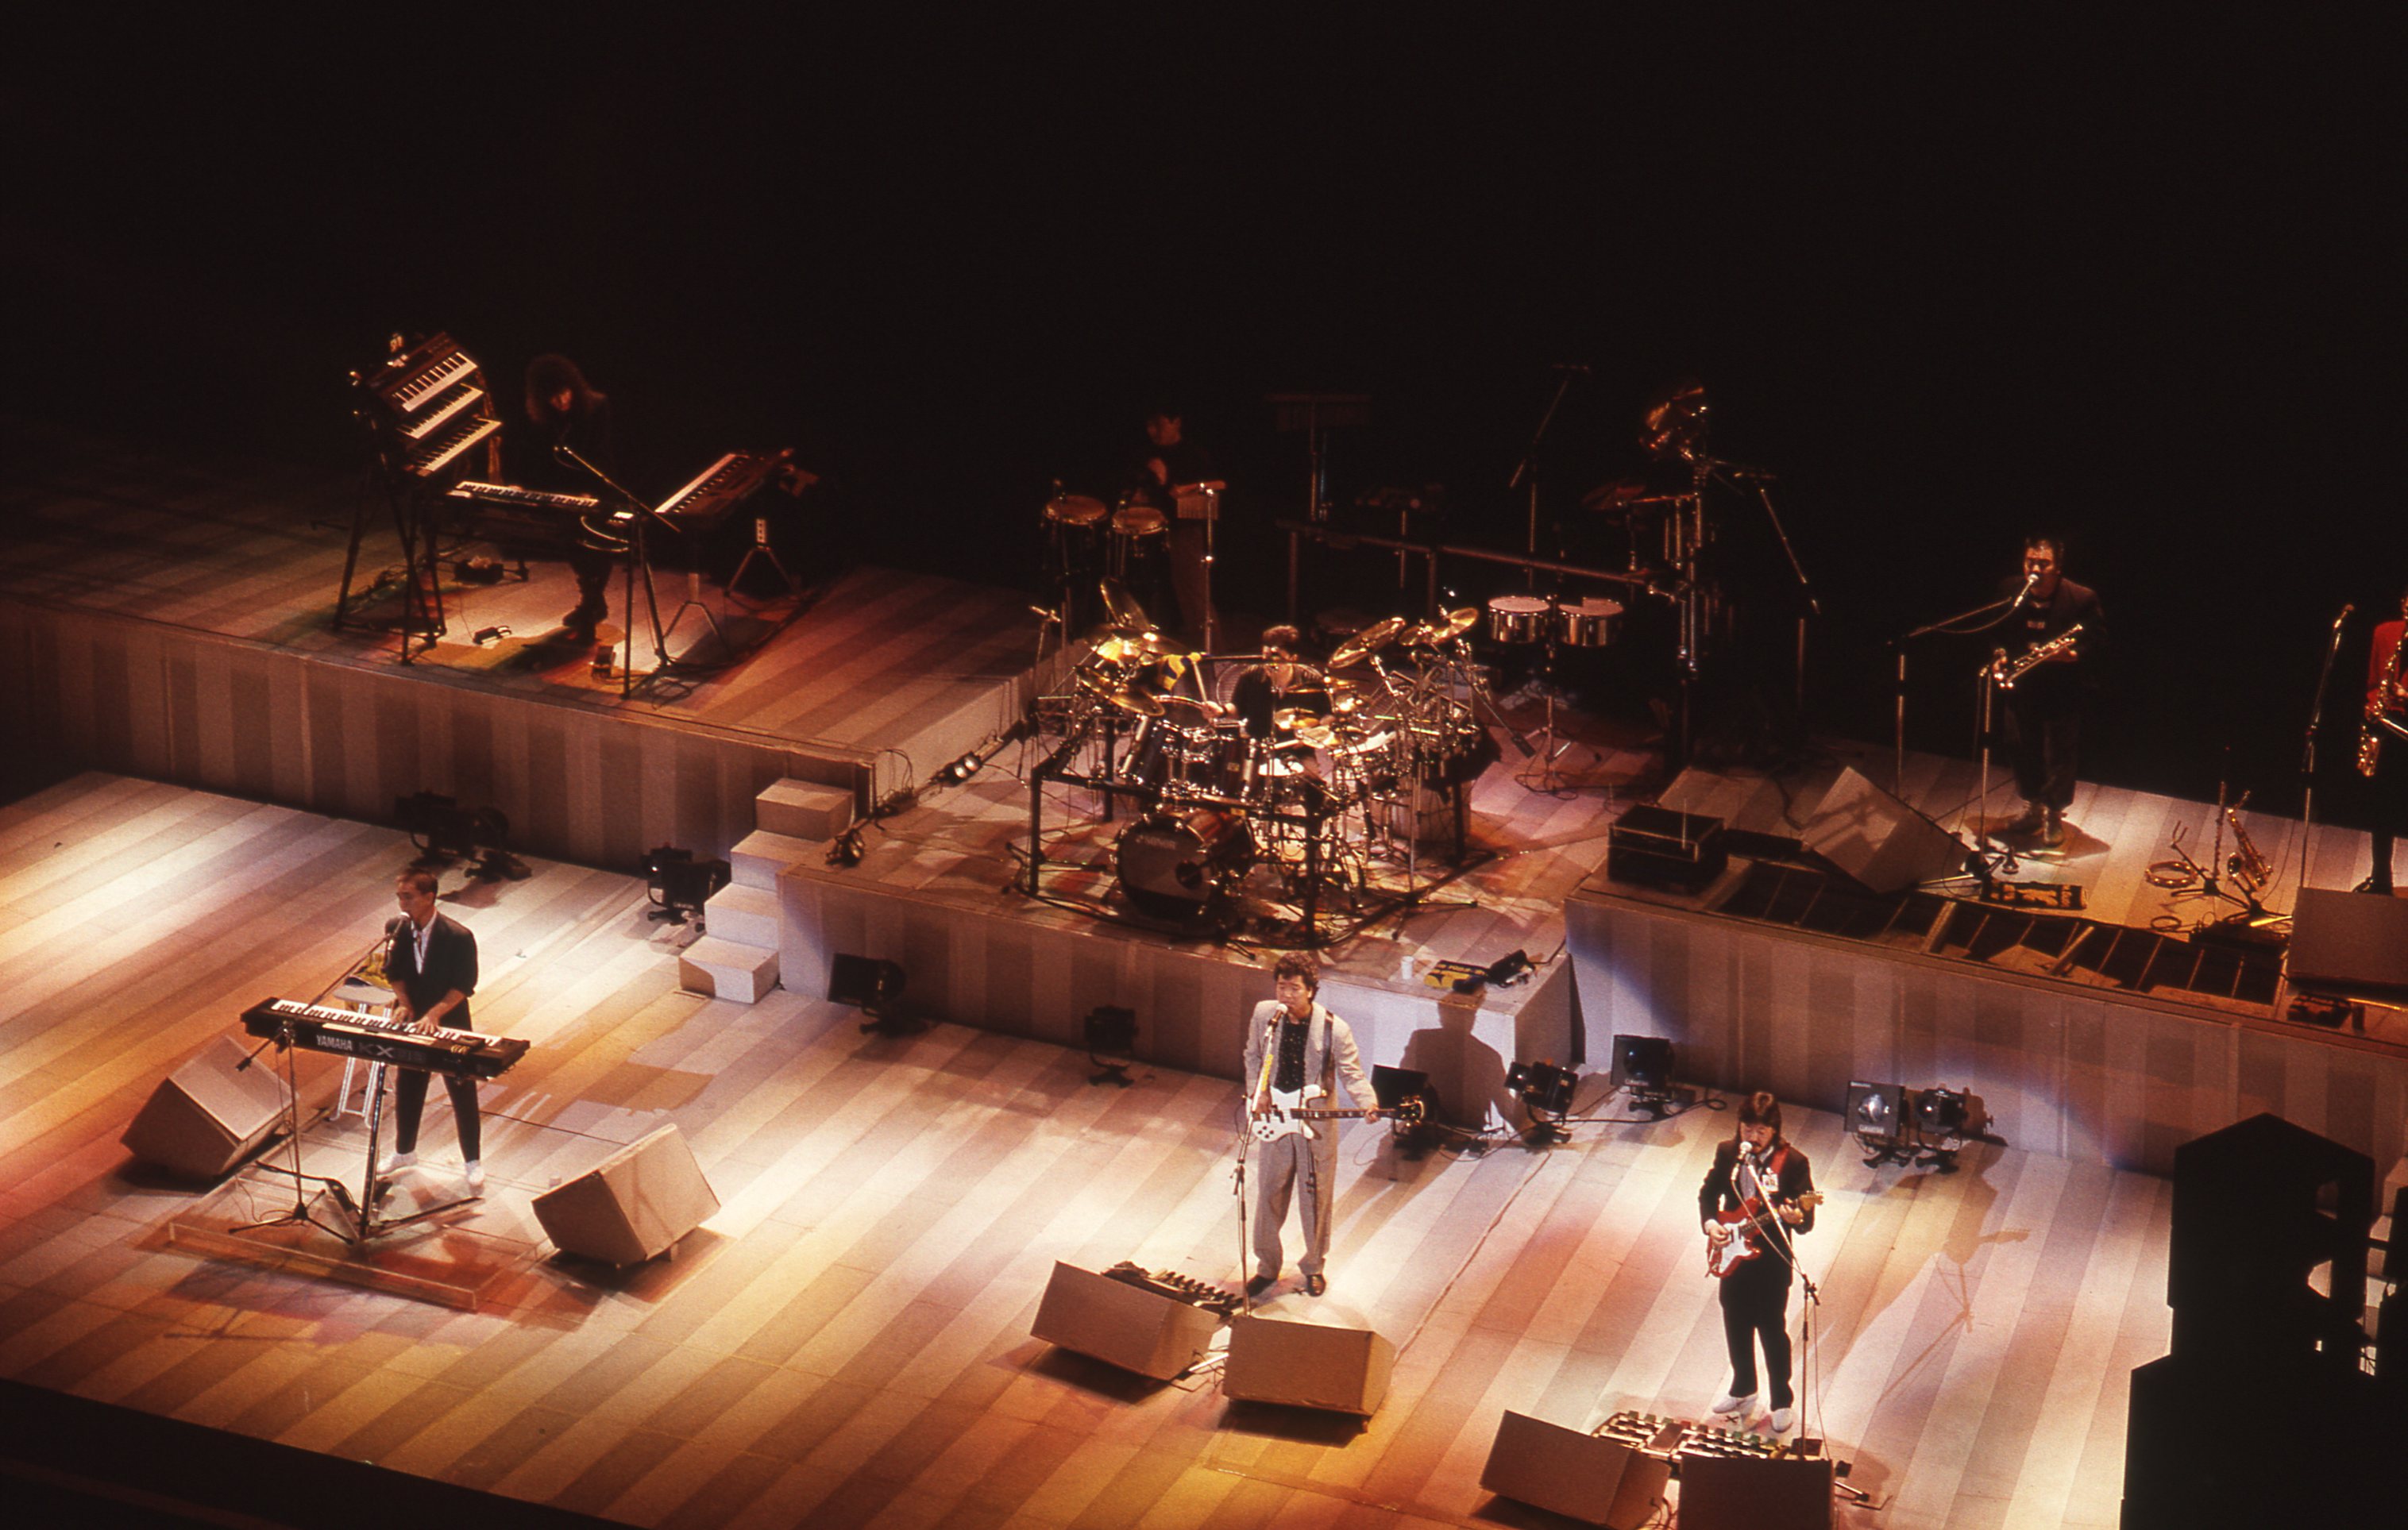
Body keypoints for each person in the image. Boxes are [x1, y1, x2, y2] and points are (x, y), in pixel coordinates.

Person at [1241, 954, 1372, 1298]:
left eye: (1294, 989)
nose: (1286, 995)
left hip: (1315, 1126)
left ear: (1311, 990)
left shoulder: (1334, 1029)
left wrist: (1367, 1102)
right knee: (1269, 1193)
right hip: (1276, 1118)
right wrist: (1258, 1092)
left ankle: (1313, 1267)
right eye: (1281, 987)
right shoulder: (1265, 1015)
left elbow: (1352, 1074)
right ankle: (1267, 1267)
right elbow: (1253, 1055)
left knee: (1315, 1197)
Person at [1700, 1091, 1817, 1433]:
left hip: (1771, 1264)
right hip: (1733, 1254)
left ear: (1774, 1130)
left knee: (1771, 1332)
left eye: (1760, 1132)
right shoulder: (1728, 1152)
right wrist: (1712, 1224)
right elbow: (1709, 1193)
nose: (1752, 1137)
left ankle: (1781, 1401)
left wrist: (1796, 1217)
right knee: (1735, 1324)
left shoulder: (1793, 1162)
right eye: (1747, 1129)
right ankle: (1743, 1389)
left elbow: (1806, 1219)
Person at [380, 869, 484, 1193]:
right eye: (400, 896)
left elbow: (464, 985)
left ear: (429, 897)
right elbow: (393, 971)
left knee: (461, 1091)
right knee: (409, 1085)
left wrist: (434, 1014)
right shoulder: (396, 928)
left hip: (450, 1022)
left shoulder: (458, 936)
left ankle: (472, 1160)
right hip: (415, 1020)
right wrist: (405, 1004)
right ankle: (404, 1151)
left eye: (408, 897)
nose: (402, 903)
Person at [1997, 536, 2103, 848]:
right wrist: (1999, 656)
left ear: (2058, 567)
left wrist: (2072, 655)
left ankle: (2054, 815)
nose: (2035, 569)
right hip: (2022, 686)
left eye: (2043, 564)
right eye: (2030, 562)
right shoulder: (2010, 590)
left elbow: (2097, 640)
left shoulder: (2081, 598)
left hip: (2061, 689)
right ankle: (2033, 808)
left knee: (2058, 755)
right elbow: (1998, 632)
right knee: (2020, 747)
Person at [519, 354, 619, 636]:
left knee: (594, 539)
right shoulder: (544, 418)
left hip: (599, 484)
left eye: (564, 393)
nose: (561, 402)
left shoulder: (597, 406)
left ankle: (591, 602)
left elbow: (601, 454)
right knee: (568, 535)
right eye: (553, 398)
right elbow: (538, 459)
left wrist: (589, 491)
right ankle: (592, 600)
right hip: (565, 490)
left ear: (572, 386)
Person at [1130, 408, 1225, 646]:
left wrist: (1178, 486)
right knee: (1159, 589)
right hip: (1153, 529)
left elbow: (1218, 484)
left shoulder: (1192, 453)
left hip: (1184, 527)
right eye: (1150, 426)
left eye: (1160, 425)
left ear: (1176, 423)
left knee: (1192, 589)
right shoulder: (1148, 453)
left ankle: (1211, 647)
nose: (1154, 432)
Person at [2360, 588, 2408, 894]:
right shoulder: (2384, 632)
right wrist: (2372, 705)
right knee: (2381, 805)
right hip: (2385, 725)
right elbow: (2373, 680)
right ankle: (2381, 878)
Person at [1229, 626, 1330, 741]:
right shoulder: (1251, 674)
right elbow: (1237, 708)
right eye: (1266, 657)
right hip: (1259, 743)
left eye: (1277, 658)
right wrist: (1221, 711)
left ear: (1293, 658)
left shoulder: (1311, 678)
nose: (1269, 664)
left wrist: (1312, 734)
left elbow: (1329, 715)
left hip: (1298, 746)